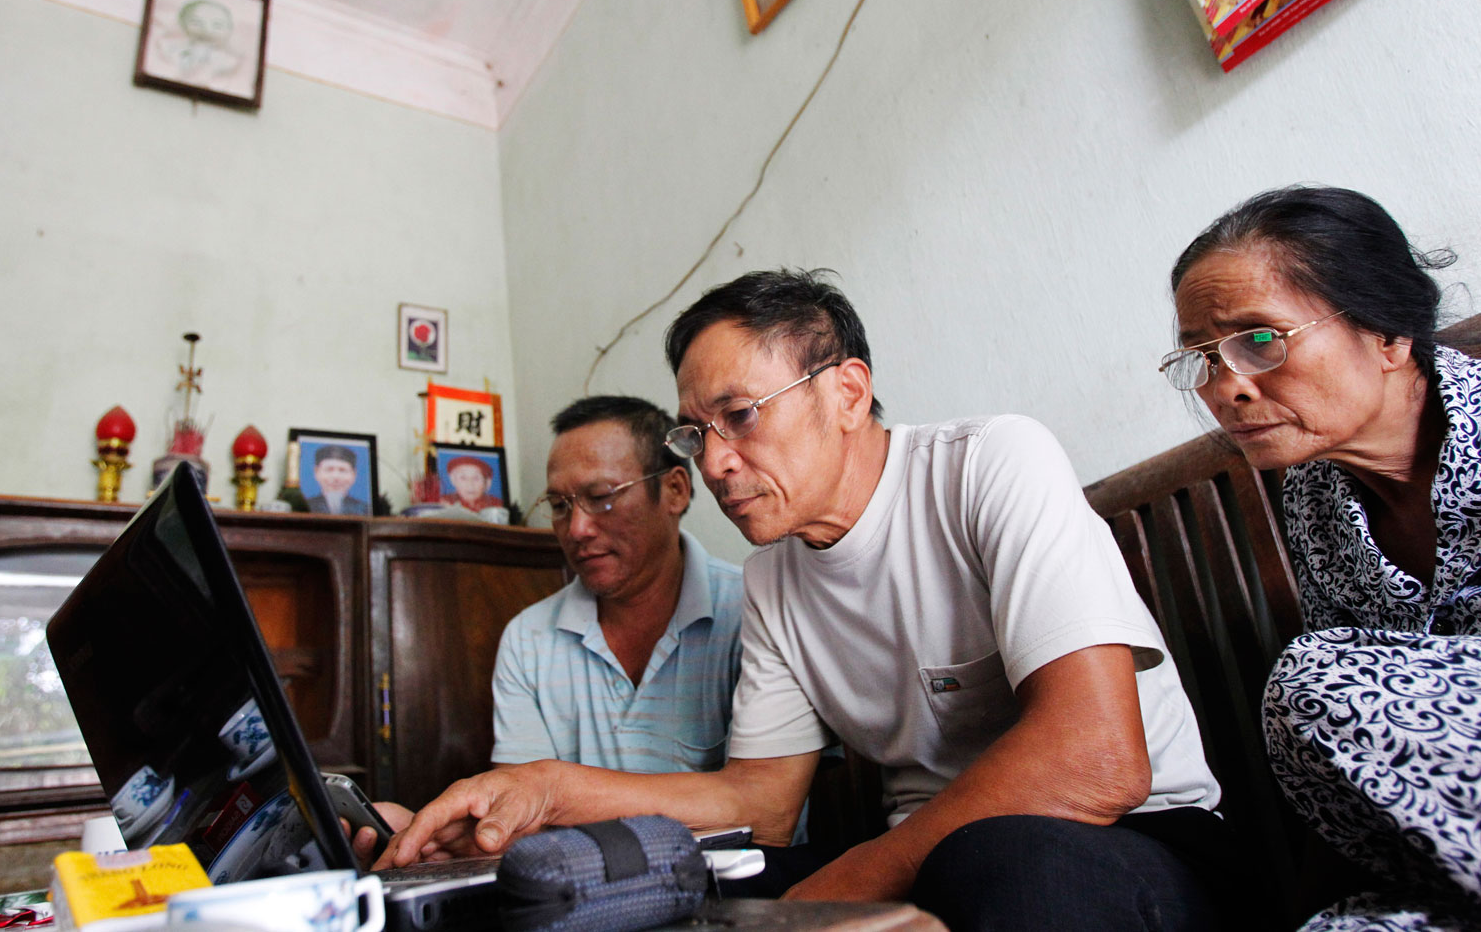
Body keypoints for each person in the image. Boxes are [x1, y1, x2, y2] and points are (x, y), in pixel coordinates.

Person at [379, 269, 1226, 931]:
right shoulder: (773, 576)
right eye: (696, 432)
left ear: (847, 392)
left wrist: (839, 889)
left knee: (1003, 865)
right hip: (923, 856)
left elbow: (1096, 757)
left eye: (741, 415)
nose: (715, 463)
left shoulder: (990, 464)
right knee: (667, 890)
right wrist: (546, 787)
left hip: (1124, 836)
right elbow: (761, 805)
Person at [1163, 185, 1480, 932]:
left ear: (1389, 334)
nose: (1227, 389)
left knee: (1314, 677)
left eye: (1260, 339)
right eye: (1201, 359)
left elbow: (1343, 699)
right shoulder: (1316, 494)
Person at [350, 395, 744, 862]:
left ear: (675, 490)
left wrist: (554, 793)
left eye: (601, 497)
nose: (576, 529)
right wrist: (431, 835)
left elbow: (769, 807)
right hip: (577, 892)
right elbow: (519, 827)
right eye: (559, 505)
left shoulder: (749, 611)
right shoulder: (529, 639)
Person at [306, 445, 368, 515]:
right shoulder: (305, 507)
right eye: (329, 469)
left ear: (354, 474)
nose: (336, 477)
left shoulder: (365, 509)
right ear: (316, 472)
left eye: (342, 470)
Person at [438, 455, 506, 513]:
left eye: (476, 478)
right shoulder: (444, 502)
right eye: (463, 478)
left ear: (488, 483)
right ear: (453, 480)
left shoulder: (498, 505)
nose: (470, 484)